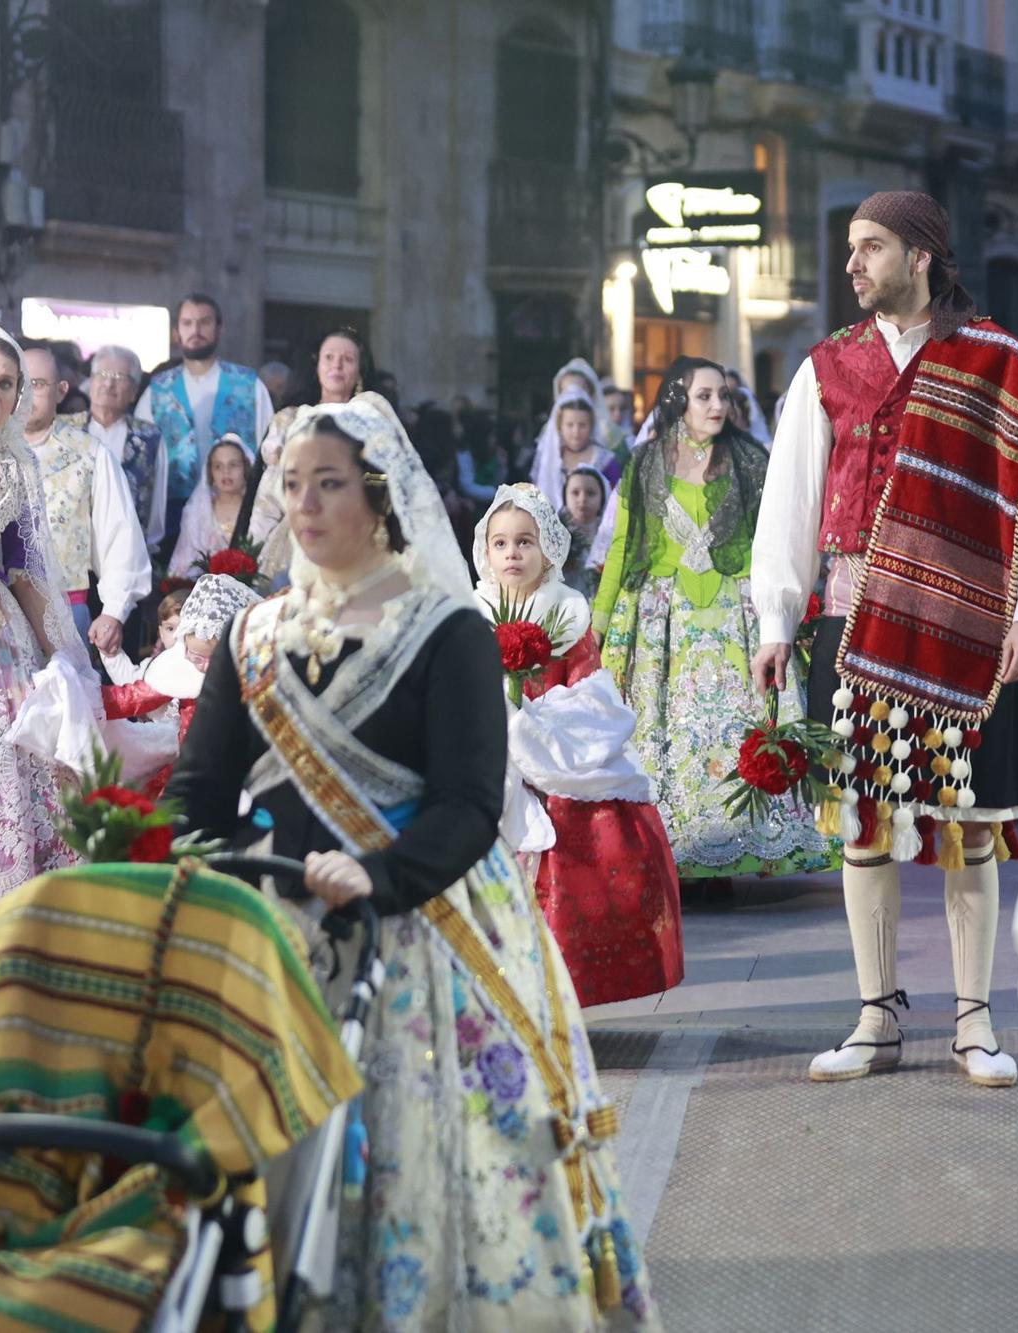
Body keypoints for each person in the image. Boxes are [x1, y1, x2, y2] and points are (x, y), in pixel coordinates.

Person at [164, 400, 658, 1331]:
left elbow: (469, 804)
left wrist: (381, 878)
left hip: (428, 935)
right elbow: (196, 793)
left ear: (380, 498)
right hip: (277, 936)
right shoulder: (253, 637)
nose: (305, 505)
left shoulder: (447, 631)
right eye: (294, 484)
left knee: (428, 1159)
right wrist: (194, 872)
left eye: (330, 484)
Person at [750, 189, 1018, 1087]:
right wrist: (777, 617)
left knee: (972, 829)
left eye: (871, 247)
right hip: (853, 627)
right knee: (862, 826)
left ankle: (974, 1023)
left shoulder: (995, 365)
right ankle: (876, 1018)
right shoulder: (826, 369)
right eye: (852, 248)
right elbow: (792, 500)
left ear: (921, 257)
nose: (853, 265)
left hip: (973, 628)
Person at [596, 355, 834, 883]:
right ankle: (673, 852)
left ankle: (740, 849)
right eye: (704, 395)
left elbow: (774, 540)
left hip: (734, 617)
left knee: (731, 733)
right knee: (666, 735)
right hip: (664, 624)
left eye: (723, 395)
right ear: (677, 400)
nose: (717, 405)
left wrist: (784, 611)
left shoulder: (749, 460)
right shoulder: (643, 465)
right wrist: (597, 625)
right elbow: (620, 549)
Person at [474, 483, 683, 1006]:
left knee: (581, 835)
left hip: (555, 750)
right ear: (485, 552)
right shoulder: (473, 611)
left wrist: (535, 726)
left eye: (525, 542)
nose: (512, 554)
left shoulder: (566, 611)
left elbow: (589, 690)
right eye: (500, 544)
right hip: (491, 753)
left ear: (548, 549)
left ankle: (563, 986)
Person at [0, 322, 87, 937]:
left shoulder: (14, 464)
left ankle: (2, 943)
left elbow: (27, 571)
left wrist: (65, 663)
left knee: (1, 767)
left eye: (6, 383)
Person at [19, 341, 150, 653]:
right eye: (16, 382)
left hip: (65, 608)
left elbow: (119, 534)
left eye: (36, 384)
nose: (24, 394)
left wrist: (113, 612)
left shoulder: (89, 453)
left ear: (62, 391)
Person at [97, 573, 259, 797]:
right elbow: (133, 697)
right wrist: (87, 698)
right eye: (195, 657)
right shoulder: (180, 669)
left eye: (212, 658)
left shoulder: (249, 677)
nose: (202, 667)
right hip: (191, 770)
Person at [136, 294, 271, 559]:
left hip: (238, 512)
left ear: (219, 328)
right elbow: (143, 459)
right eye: (187, 323)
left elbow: (268, 451)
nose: (195, 330)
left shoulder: (248, 385)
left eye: (204, 322)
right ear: (177, 332)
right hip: (173, 512)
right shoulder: (158, 390)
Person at [246, 327, 371, 580]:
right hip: (295, 538)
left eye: (347, 359)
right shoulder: (289, 420)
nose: (337, 365)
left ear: (359, 371)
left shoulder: (371, 424)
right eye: (329, 357)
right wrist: (251, 551)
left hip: (351, 539)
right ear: (316, 364)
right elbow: (269, 494)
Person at [68, 344, 167, 554]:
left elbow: (156, 513)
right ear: (91, 382)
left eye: (120, 377)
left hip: (128, 554)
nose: (109, 383)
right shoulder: (65, 431)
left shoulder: (149, 438)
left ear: (134, 391)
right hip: (71, 558)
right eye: (102, 374)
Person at [166, 435, 251, 580]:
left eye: (233, 465)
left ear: (246, 468)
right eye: (218, 466)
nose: (226, 472)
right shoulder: (196, 514)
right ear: (210, 472)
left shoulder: (258, 511)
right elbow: (185, 566)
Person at [534, 389, 618, 510]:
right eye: (570, 425)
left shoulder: (606, 461)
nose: (576, 432)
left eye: (582, 425)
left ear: (591, 426)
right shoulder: (551, 459)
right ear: (560, 427)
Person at [561, 463, 615, 597]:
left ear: (602, 498)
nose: (582, 499)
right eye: (575, 493)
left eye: (590, 493)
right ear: (565, 497)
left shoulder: (612, 536)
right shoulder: (555, 536)